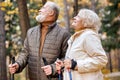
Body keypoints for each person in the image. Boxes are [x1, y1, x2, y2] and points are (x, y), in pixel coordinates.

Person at [9, 1, 70, 80]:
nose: (39, 10)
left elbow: (67, 58)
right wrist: (17, 65)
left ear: (51, 12)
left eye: (43, 8)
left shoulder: (64, 34)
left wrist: (53, 68)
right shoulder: (31, 32)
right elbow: (25, 54)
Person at [55, 9, 108, 80]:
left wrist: (76, 64)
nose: (74, 17)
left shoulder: (89, 35)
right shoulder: (76, 37)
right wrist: (63, 65)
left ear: (86, 21)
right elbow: (75, 61)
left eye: (78, 16)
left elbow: (101, 60)